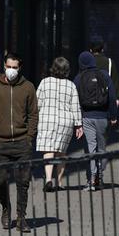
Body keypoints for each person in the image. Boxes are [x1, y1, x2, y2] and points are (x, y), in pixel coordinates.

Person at [0, 52, 38, 232]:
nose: (12, 70)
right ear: (4, 66)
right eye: (9, 67)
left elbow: (33, 114)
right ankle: (5, 208)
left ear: (19, 68)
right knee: (0, 180)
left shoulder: (28, 87)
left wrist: (29, 137)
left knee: (23, 181)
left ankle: (21, 217)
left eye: (15, 67)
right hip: (0, 143)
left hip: (22, 142)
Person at [36, 57, 84, 192]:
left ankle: (48, 179)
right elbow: (75, 106)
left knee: (48, 150)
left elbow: (37, 103)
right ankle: (60, 182)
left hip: (47, 120)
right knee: (61, 152)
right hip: (65, 121)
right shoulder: (71, 86)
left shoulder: (45, 82)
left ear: (53, 68)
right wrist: (79, 125)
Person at [74, 52, 117, 191]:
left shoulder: (79, 78)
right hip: (103, 116)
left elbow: (75, 100)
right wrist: (113, 115)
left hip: (86, 117)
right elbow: (111, 96)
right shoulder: (104, 75)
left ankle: (92, 180)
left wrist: (77, 120)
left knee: (91, 148)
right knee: (102, 148)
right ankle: (100, 173)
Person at [90, 36, 119, 107]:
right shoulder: (109, 62)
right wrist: (116, 99)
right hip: (106, 101)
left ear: (90, 50)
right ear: (103, 49)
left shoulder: (87, 63)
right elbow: (115, 83)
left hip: (90, 100)